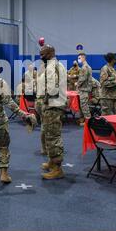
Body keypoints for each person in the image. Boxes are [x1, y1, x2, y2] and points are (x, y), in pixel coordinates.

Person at [37, 44, 67, 180]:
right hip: (52, 105)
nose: (41, 57)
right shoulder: (52, 65)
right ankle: (51, 161)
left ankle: (57, 168)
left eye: (43, 54)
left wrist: (44, 102)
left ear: (51, 53)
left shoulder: (53, 66)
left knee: (53, 137)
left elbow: (52, 89)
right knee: (49, 135)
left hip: (52, 106)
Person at [76, 53, 92, 126]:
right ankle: (85, 120)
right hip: (85, 89)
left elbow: (83, 78)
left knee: (84, 106)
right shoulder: (87, 66)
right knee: (84, 105)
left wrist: (77, 84)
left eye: (79, 58)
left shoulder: (84, 67)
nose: (78, 60)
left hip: (84, 89)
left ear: (83, 58)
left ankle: (88, 122)